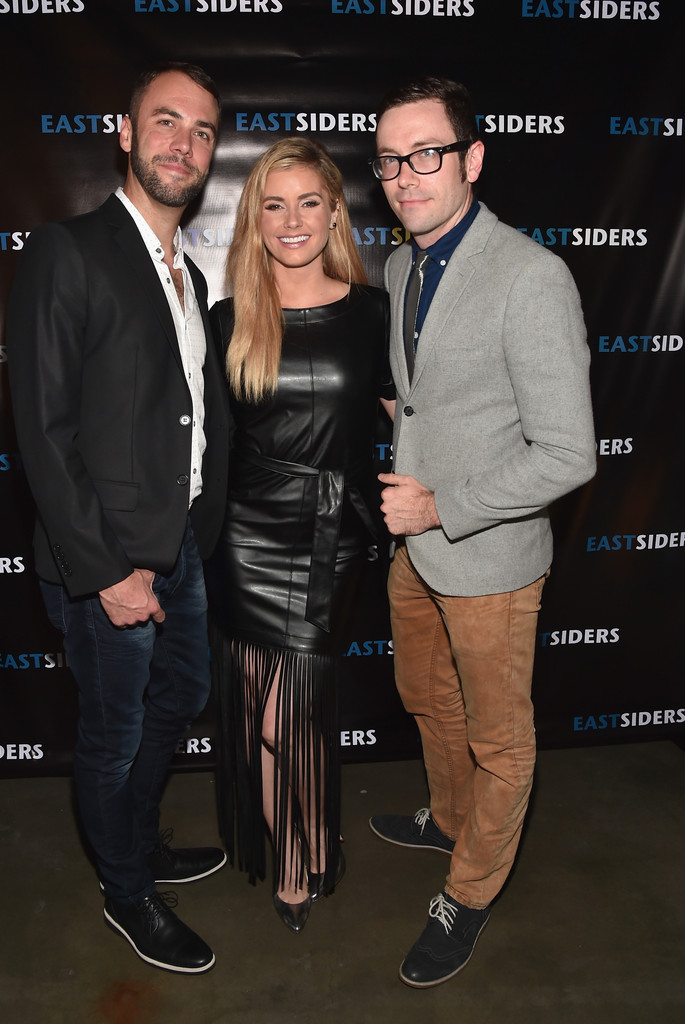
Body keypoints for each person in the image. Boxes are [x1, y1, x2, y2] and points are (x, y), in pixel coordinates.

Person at [367, 77, 596, 987]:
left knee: (500, 738)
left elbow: (568, 454)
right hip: (413, 553)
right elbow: (423, 394)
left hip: (488, 555)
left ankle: (468, 890)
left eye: (425, 153)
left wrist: (441, 505)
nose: (404, 175)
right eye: (388, 159)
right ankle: (448, 816)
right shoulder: (398, 265)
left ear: (471, 160)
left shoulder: (531, 275)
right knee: (424, 696)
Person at [6, 62, 230, 975]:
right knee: (115, 736)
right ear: (126, 132)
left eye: (203, 130)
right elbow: (43, 430)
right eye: (166, 121)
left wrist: (187, 543)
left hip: (180, 551)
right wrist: (107, 571)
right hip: (109, 566)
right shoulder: (69, 250)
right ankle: (126, 894)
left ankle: (136, 846)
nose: (184, 142)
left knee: (179, 702)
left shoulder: (188, 272)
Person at [206, 138, 394, 932]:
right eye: (273, 204)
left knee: (298, 710)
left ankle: (303, 843)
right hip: (247, 534)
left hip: (335, 534)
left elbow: (407, 419)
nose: (292, 221)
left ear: (332, 214)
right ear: (254, 218)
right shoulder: (226, 319)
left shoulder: (372, 310)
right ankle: (307, 839)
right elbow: (202, 441)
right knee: (266, 715)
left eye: (308, 202)